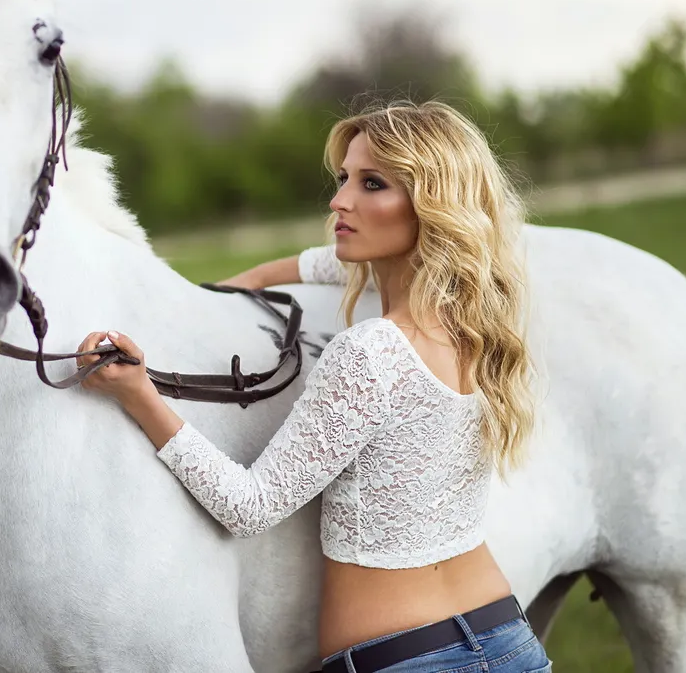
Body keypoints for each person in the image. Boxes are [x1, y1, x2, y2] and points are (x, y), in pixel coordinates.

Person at [76, 101, 551, 672]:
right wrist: (247, 281)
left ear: (432, 206)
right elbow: (330, 262)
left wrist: (138, 395)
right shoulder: (479, 326)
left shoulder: (373, 353)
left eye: (372, 183)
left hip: (412, 661)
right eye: (343, 178)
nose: (339, 201)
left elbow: (248, 508)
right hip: (507, 640)